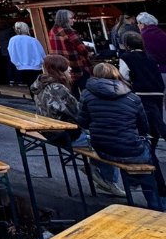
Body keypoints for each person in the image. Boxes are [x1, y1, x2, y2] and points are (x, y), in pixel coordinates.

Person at [77, 63, 165, 211]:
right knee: (149, 163)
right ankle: (158, 205)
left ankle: (124, 180)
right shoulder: (132, 97)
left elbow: (83, 122)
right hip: (128, 148)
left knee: (126, 151)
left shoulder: (87, 94)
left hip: (102, 146)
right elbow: (143, 127)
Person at [31, 55, 121, 195]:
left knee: (102, 137)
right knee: (108, 140)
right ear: (60, 69)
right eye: (67, 67)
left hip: (52, 132)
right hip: (66, 135)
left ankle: (99, 171)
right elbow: (78, 113)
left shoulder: (40, 86)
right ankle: (108, 180)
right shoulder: (58, 89)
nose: (70, 69)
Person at [118, 32, 165, 186]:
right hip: (156, 92)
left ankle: (148, 153)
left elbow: (124, 75)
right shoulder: (150, 57)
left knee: (145, 128)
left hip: (140, 93)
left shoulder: (127, 57)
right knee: (156, 124)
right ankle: (153, 141)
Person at [48, 10, 93, 91]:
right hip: (76, 65)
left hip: (62, 67)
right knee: (86, 90)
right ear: (65, 19)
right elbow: (82, 49)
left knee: (72, 91)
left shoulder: (52, 31)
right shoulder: (69, 31)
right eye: (71, 18)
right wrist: (89, 52)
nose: (73, 20)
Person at [6, 22, 45, 86]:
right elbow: (42, 53)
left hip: (19, 68)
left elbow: (11, 53)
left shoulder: (13, 40)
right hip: (35, 68)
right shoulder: (33, 40)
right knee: (37, 88)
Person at [0, 20, 16, 85]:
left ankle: (10, 79)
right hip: (10, 49)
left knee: (8, 65)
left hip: (4, 50)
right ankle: (16, 79)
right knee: (12, 65)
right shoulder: (9, 30)